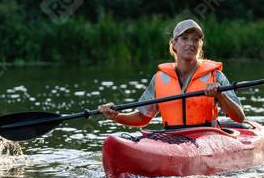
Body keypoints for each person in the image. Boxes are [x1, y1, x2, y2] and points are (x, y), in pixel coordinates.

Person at [98, 19, 245, 128]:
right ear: (174, 44)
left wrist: (220, 95)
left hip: (207, 137)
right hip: (173, 139)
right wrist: (116, 116)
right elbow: (142, 117)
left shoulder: (215, 76)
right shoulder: (159, 79)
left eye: (196, 40)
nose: (191, 43)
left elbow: (239, 117)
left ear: (200, 46)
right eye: (185, 38)